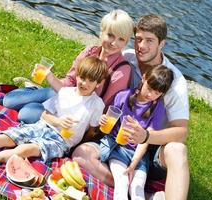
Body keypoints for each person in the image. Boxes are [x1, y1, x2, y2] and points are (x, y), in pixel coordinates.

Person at [72, 14, 190, 200]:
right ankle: (143, 193)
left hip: (150, 149)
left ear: (162, 44)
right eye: (139, 39)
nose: (141, 46)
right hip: (117, 140)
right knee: (80, 155)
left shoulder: (175, 81)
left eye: (149, 41)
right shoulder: (127, 58)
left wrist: (147, 136)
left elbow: (181, 132)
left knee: (178, 150)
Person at [0, 56, 108, 168]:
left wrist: (101, 125)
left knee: (28, 149)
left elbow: (93, 129)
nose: (84, 83)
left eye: (90, 80)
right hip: (44, 126)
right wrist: (58, 121)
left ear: (98, 83)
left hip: (61, 141)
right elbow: (44, 114)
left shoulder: (96, 104)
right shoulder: (65, 92)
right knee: (13, 136)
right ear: (77, 76)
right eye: (82, 77)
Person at [3, 9, 134, 124]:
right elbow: (70, 81)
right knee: (8, 101)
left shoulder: (121, 71)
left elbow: (104, 107)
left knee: (26, 114)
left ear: (126, 42)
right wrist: (50, 77)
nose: (114, 43)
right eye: (110, 35)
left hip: (80, 113)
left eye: (121, 39)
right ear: (101, 33)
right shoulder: (90, 51)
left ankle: (34, 96)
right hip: (64, 94)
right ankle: (34, 94)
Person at [99, 65, 173, 200]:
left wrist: (133, 165)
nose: (150, 94)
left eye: (156, 93)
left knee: (136, 189)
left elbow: (146, 141)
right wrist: (103, 121)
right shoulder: (123, 96)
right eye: (149, 88)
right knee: (122, 184)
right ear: (144, 78)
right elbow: (110, 123)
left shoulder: (158, 109)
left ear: (161, 94)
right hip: (119, 150)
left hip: (139, 156)